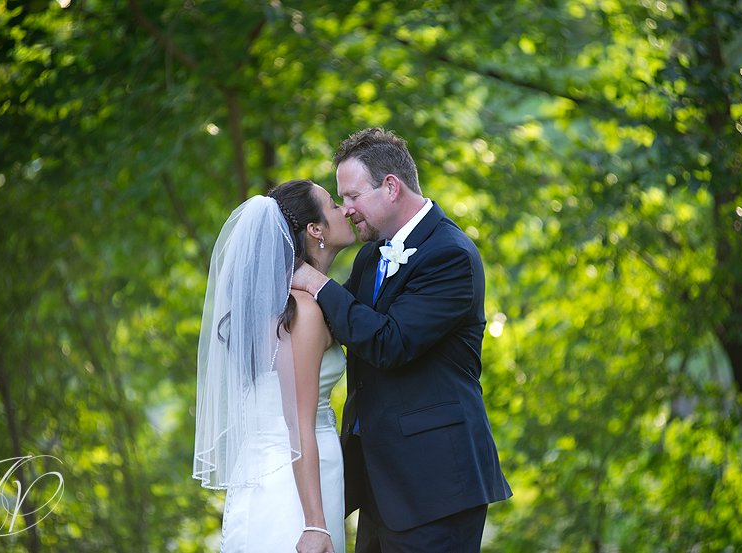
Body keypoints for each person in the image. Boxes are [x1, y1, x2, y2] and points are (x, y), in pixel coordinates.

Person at [291, 128, 511, 552]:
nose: (346, 209)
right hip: (380, 482)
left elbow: (390, 343)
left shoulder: (451, 255)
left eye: (352, 196)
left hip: (435, 486)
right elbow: (340, 323)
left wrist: (316, 282)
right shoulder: (372, 254)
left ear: (391, 187)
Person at [193, 180, 356, 553]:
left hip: (264, 473)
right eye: (333, 205)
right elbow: (298, 425)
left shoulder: (272, 310)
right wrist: (315, 523)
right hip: (295, 489)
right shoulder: (303, 312)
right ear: (314, 230)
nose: (345, 209)